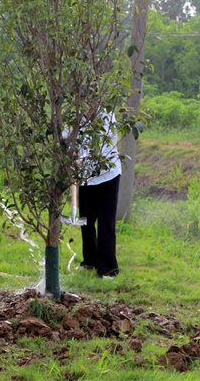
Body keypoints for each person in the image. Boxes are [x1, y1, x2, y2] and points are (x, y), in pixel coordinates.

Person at [77, 111, 122, 278]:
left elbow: (104, 145)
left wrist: (84, 159)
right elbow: (67, 139)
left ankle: (108, 269)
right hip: (84, 177)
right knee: (85, 221)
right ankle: (89, 261)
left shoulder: (107, 116)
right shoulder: (75, 114)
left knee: (106, 222)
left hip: (107, 174)